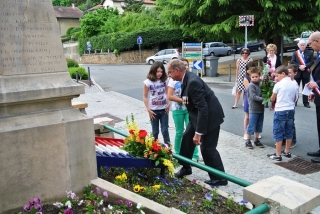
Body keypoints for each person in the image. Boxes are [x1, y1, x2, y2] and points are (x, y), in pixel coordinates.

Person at [167, 59, 227, 186]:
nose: (169, 75)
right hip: (197, 116)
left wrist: (198, 133)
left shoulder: (193, 81)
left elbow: (203, 108)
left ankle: (220, 178)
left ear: (177, 70)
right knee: (186, 139)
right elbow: (189, 101)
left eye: (169, 72)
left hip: (210, 117)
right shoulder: (185, 79)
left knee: (207, 148)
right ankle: (186, 167)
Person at [167, 58, 199, 161]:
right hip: (177, 109)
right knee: (179, 132)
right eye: (183, 65)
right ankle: (177, 153)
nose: (185, 67)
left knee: (191, 131)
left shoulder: (191, 79)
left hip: (189, 110)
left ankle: (194, 155)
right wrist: (184, 101)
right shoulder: (172, 80)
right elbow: (170, 96)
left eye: (186, 65)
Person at [267, 66, 298, 161]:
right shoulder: (294, 84)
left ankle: (278, 154)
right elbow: (295, 98)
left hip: (281, 110)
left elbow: (272, 98)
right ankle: (287, 151)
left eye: (278, 75)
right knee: (289, 131)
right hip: (290, 109)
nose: (277, 77)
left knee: (278, 132)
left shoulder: (278, 85)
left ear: (283, 74)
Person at [143, 61, 170, 144]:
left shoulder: (165, 80)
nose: (160, 73)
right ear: (153, 71)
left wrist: (168, 104)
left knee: (165, 131)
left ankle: (168, 150)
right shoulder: (147, 82)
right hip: (153, 111)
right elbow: (145, 97)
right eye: (158, 71)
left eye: (161, 71)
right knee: (155, 132)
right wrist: (148, 110)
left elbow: (167, 93)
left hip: (164, 110)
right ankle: (154, 151)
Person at [306, 32, 320, 163]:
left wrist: (317, 84)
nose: (310, 46)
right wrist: (313, 91)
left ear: (317, 41)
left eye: (310, 43)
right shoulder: (319, 55)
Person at [245, 67, 265, 149]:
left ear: (259, 76)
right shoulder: (251, 85)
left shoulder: (261, 84)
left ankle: (256, 139)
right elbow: (253, 97)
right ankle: (248, 140)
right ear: (250, 77)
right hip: (254, 109)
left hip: (261, 108)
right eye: (253, 77)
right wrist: (264, 99)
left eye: (256, 76)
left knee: (259, 125)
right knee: (252, 124)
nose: (255, 78)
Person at [291, 39, 314, 108]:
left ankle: (306, 102)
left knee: (306, 88)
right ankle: (294, 101)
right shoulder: (295, 53)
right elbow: (293, 61)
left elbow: (311, 61)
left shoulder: (310, 53)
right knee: (296, 88)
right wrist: (299, 66)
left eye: (304, 45)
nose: (302, 46)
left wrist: (305, 66)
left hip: (306, 72)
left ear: (306, 45)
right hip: (297, 73)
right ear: (299, 46)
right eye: (301, 45)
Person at [263, 44, 282, 108]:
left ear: (275, 51)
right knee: (267, 87)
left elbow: (280, 67)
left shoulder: (277, 58)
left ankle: (273, 101)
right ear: (268, 51)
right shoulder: (265, 58)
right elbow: (264, 67)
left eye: (272, 50)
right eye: (270, 50)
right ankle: (266, 100)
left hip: (275, 74)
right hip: (267, 74)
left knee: (274, 88)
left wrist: (276, 73)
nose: (271, 52)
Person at [243, 61, 255, 140]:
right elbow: (248, 89)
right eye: (248, 69)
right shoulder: (246, 78)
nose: (250, 70)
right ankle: (245, 132)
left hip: (255, 98)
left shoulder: (257, 76)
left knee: (255, 116)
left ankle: (256, 132)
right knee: (247, 116)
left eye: (251, 69)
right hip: (248, 98)